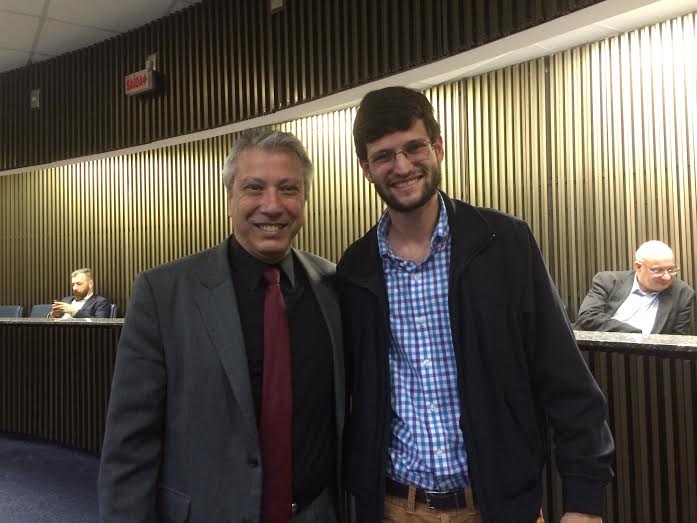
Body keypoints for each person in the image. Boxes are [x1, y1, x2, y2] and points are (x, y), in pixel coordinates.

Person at [336, 86, 614, 523]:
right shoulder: (355, 270)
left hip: (500, 506)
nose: (403, 166)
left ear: (439, 148)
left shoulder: (504, 244)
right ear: (366, 169)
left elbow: (564, 377)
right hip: (394, 508)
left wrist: (584, 502)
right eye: (384, 156)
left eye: (414, 147)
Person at [98, 129, 344, 523]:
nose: (272, 205)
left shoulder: (332, 285)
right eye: (254, 187)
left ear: (305, 199)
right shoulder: (163, 294)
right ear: (230, 198)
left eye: (288, 189)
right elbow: (130, 447)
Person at [576, 240, 694, 335]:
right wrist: (636, 334)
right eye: (658, 270)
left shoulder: (682, 293)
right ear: (638, 267)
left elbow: (678, 339)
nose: (667, 277)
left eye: (671, 269)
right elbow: (588, 317)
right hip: (596, 353)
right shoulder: (608, 281)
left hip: (649, 360)